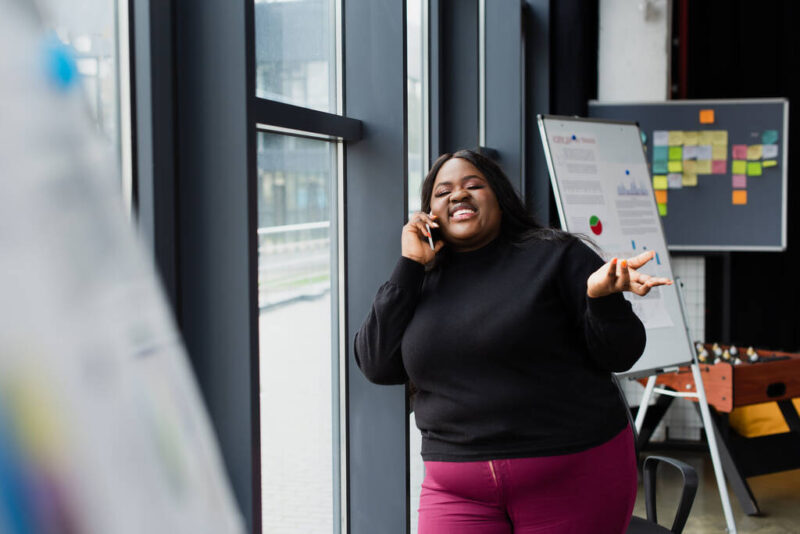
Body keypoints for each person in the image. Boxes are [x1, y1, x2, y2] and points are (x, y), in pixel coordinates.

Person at [354, 149, 672, 534]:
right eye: (443, 191)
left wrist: (602, 301)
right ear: (428, 213)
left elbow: (621, 354)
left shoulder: (556, 255)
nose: (458, 195)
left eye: (474, 185)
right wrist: (408, 266)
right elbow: (376, 363)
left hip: (573, 471)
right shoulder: (419, 278)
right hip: (456, 487)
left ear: (500, 199)